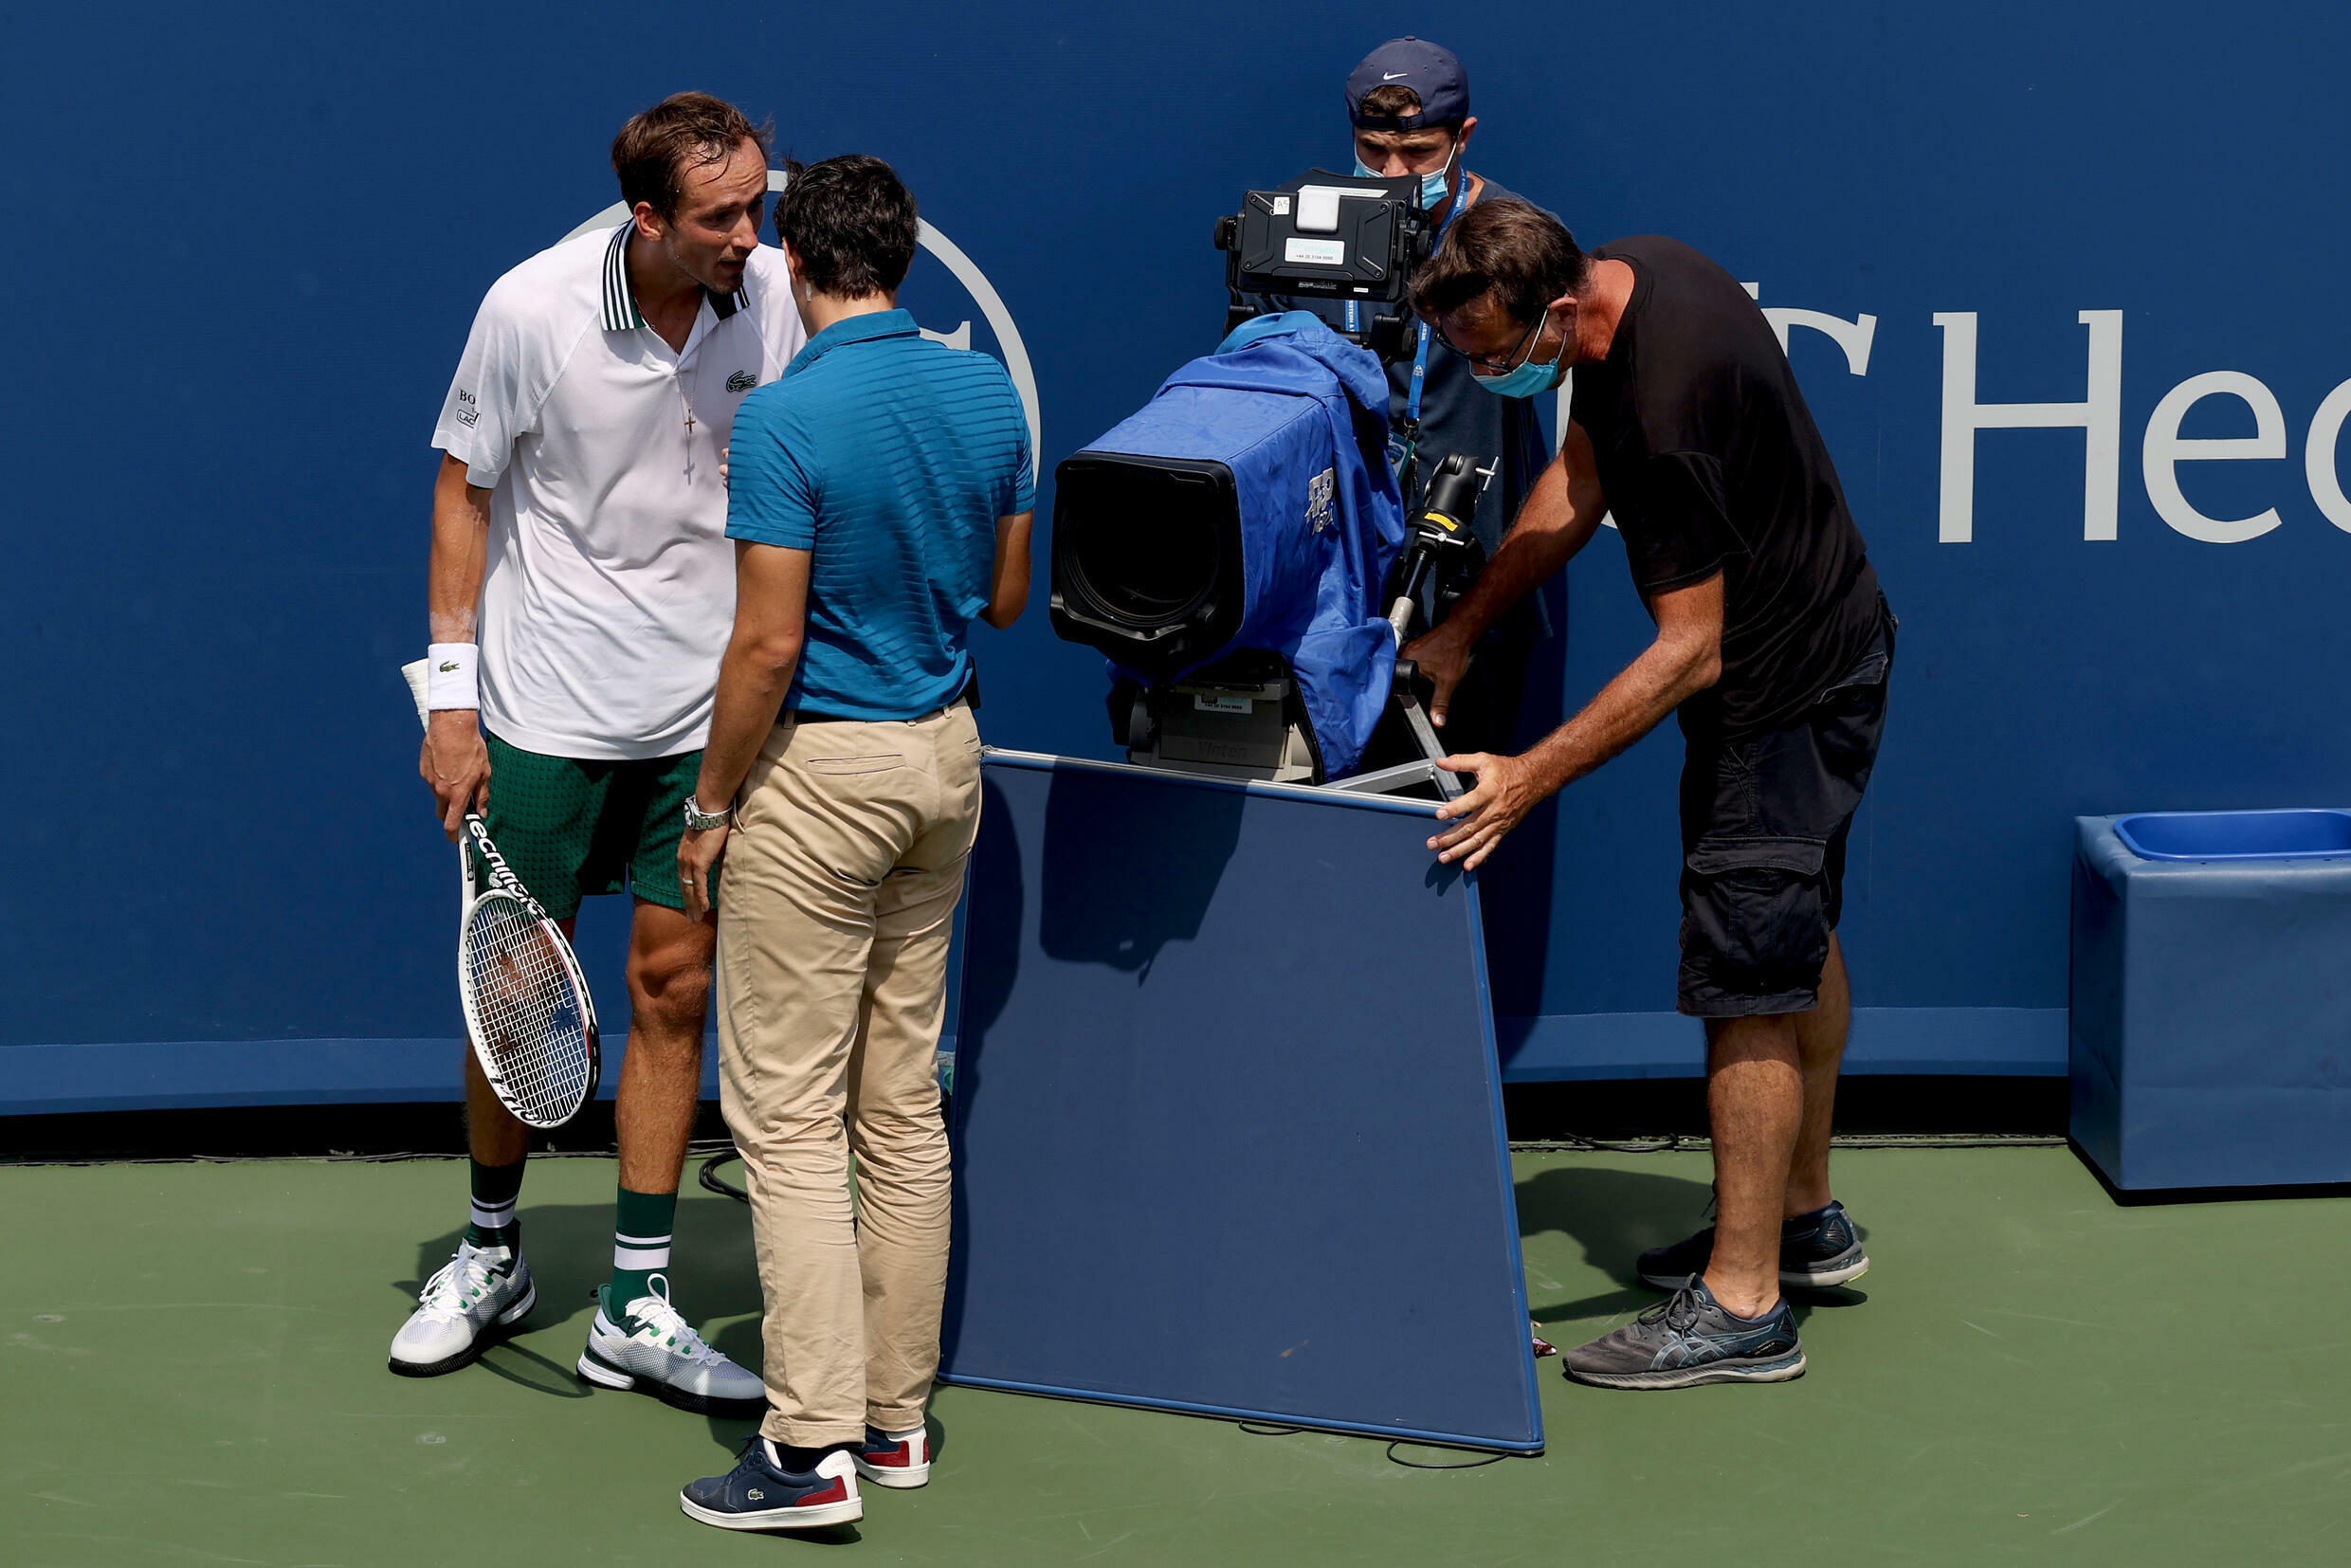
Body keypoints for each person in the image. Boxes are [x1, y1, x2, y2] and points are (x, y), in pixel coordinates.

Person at [1402, 200, 1895, 1389]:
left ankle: (1742, 1305)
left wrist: (1525, 776)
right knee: (1791, 935)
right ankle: (1801, 1219)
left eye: (1490, 353)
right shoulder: (1645, 272)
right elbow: (1578, 475)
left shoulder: (1668, 406)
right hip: (1828, 653)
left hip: (1777, 694)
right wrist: (1466, 625)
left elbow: (1689, 649)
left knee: (1744, 979)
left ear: (1560, 308)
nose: (1482, 372)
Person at [392, 92, 804, 1412]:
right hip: (545, 707)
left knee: (675, 989)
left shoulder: (778, 295)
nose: (750, 234)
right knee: (516, 989)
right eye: (720, 217)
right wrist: (450, 703)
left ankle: (633, 1298)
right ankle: (493, 1248)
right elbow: (465, 488)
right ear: (647, 218)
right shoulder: (530, 308)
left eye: (758, 204)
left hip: (705, 713)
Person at [672, 155, 1033, 1531]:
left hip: (820, 779)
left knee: (787, 1118)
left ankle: (809, 1446)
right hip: (946, 767)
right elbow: (1003, 600)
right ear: (903, 260)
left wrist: (707, 806)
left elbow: (765, 644)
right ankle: (895, 1425)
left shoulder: (787, 419)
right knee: (898, 1105)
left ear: (792, 263)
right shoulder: (986, 392)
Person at [1342, 37, 1554, 759]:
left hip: (1472, 583)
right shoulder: (1309, 233)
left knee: (1449, 831)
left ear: (1462, 137)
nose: (1394, 174)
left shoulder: (1516, 236)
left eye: (1419, 153)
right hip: (1339, 585)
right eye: (1373, 151)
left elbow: (1549, 375)